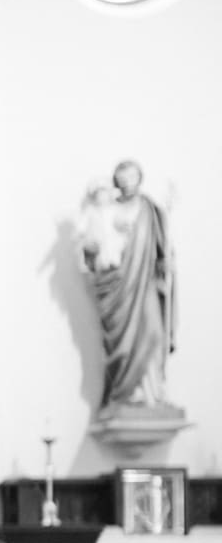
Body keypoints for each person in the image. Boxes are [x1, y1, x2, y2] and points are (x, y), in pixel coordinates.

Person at [77, 158, 177, 408]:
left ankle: (153, 393)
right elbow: (92, 247)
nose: (128, 183)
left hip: (145, 284)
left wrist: (165, 261)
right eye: (123, 179)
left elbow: (162, 241)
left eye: (133, 177)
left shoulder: (148, 208)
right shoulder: (107, 209)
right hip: (118, 289)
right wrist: (91, 252)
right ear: (116, 182)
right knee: (123, 345)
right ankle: (126, 393)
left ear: (140, 178)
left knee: (153, 333)